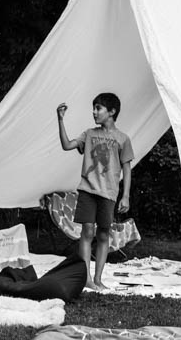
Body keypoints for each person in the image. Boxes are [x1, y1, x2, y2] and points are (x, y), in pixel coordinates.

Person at [56, 93, 134, 290]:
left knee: (103, 234)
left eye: (98, 108)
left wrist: (125, 196)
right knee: (88, 231)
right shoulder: (89, 134)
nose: (94, 112)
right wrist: (60, 120)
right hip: (88, 190)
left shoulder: (123, 139)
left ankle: (98, 279)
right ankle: (86, 278)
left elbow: (126, 168)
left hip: (108, 193)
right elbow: (67, 145)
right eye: (94, 108)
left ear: (112, 111)